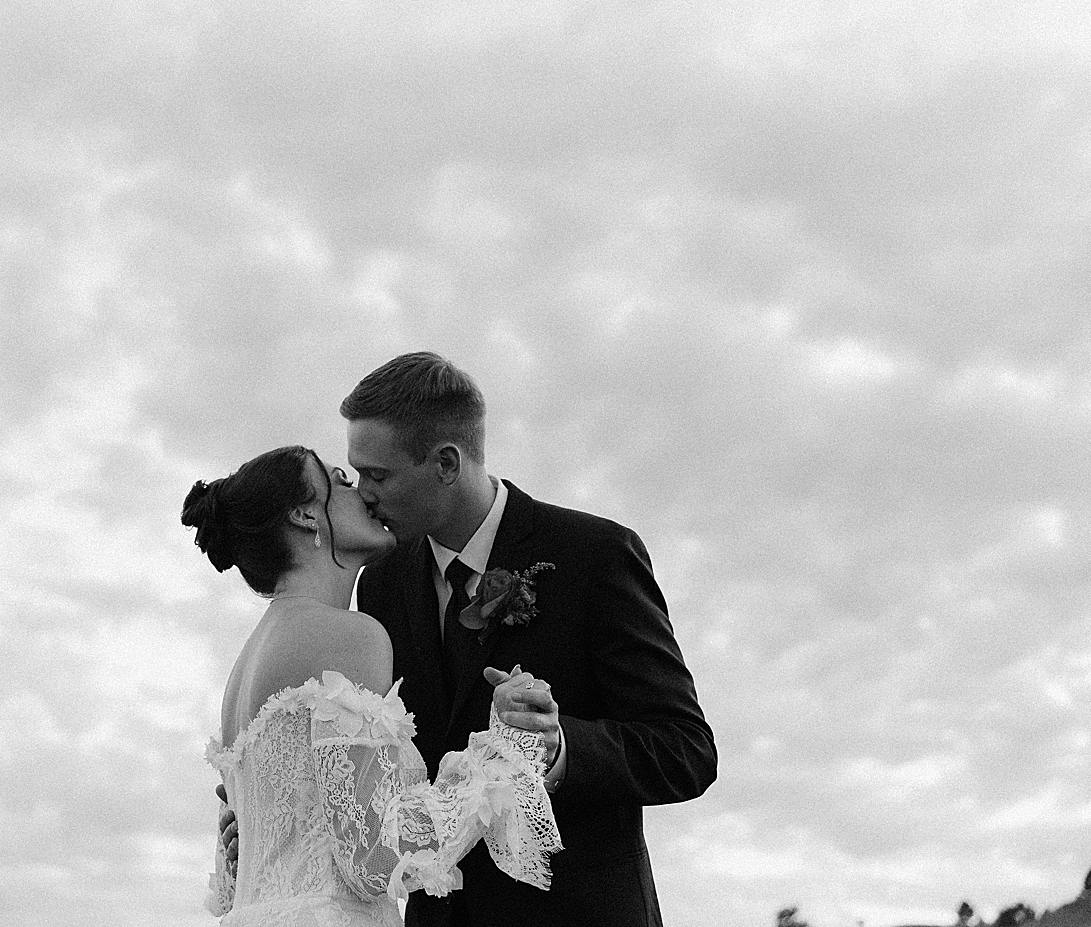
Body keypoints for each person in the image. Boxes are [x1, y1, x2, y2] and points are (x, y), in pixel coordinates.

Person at [344, 352, 717, 926]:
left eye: (378, 475)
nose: (363, 494)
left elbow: (686, 751)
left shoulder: (593, 555)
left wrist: (559, 746)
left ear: (446, 462)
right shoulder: (382, 587)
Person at [187, 445, 562, 926]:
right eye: (340, 481)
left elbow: (233, 886)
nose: (362, 492)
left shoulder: (250, 660)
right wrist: (504, 749)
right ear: (305, 514)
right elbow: (374, 860)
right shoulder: (349, 635)